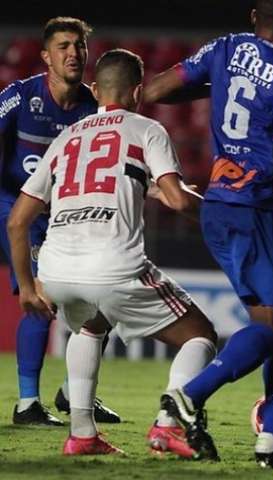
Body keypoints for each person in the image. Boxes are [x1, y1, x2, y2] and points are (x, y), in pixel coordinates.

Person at [8, 48, 218, 457]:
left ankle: (82, 434)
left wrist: (27, 286)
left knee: (91, 325)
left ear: (93, 89)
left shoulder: (67, 136)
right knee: (201, 336)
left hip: (55, 269)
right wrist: (220, 215)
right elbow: (176, 199)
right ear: (138, 91)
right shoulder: (146, 129)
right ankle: (167, 427)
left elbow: (17, 221)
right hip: (112, 264)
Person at [143, 0, 273, 468]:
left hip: (217, 204)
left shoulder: (223, 48)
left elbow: (155, 88)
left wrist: (216, 89)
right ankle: (186, 398)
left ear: (253, 16)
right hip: (256, 208)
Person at [0, 16, 120, 426]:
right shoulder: (19, 97)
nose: (73, 53)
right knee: (40, 298)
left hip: (68, 215)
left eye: (79, 47)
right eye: (64, 46)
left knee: (106, 295)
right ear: (46, 57)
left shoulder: (94, 109)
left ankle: (74, 393)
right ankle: (27, 404)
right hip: (17, 207)